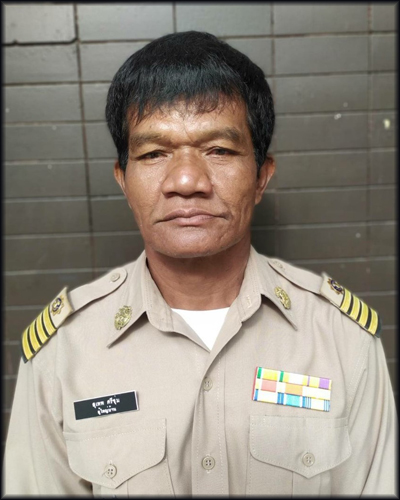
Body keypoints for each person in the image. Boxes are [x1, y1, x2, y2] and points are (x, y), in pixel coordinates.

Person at [4, 31, 396, 497]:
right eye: (154, 153)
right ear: (123, 180)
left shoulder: (342, 340)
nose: (187, 180)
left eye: (219, 150)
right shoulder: (63, 351)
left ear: (261, 176)